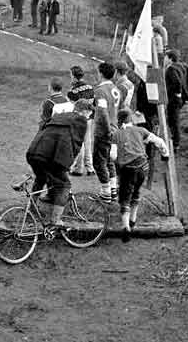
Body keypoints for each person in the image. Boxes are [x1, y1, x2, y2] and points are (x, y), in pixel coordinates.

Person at [25, 100, 93, 225]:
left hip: (34, 152)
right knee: (64, 185)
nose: (89, 117)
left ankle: (31, 209)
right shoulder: (81, 120)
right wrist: (69, 164)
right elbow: (76, 144)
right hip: (52, 157)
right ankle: (55, 221)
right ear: (84, 111)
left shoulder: (59, 116)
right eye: (89, 114)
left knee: (41, 178)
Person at [111, 109, 169, 242]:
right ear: (131, 119)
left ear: (119, 120)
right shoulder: (141, 130)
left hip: (127, 169)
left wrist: (118, 161)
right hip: (143, 167)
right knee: (136, 191)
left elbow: (113, 155)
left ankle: (126, 227)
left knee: (124, 196)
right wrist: (165, 155)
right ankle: (133, 220)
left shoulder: (116, 134)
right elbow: (158, 141)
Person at [93, 62, 121, 202]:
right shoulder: (115, 89)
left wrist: (106, 129)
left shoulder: (100, 91)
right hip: (115, 128)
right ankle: (113, 189)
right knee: (110, 160)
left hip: (104, 131)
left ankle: (105, 194)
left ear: (101, 73)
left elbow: (103, 112)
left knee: (98, 162)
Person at [165, 49, 188, 153]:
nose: (164, 59)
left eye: (166, 57)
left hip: (174, 98)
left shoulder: (171, 69)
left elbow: (177, 82)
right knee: (173, 119)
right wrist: (187, 90)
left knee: (174, 120)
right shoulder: (185, 66)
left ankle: (175, 144)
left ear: (170, 58)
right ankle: (174, 140)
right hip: (182, 98)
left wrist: (178, 92)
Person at [68, 66, 95, 176]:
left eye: (71, 75)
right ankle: (90, 168)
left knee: (79, 143)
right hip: (89, 118)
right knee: (87, 142)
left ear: (74, 77)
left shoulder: (73, 91)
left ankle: (78, 168)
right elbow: (94, 103)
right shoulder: (90, 87)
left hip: (79, 119)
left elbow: (71, 107)